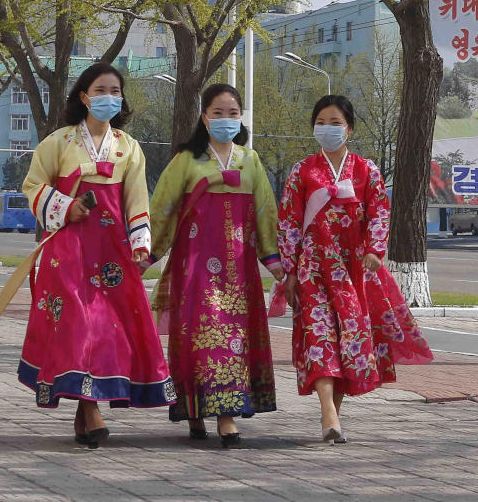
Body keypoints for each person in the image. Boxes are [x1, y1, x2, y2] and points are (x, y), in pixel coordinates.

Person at [17, 62, 175, 448]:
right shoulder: (58, 142)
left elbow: (136, 199)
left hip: (111, 251)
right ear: (84, 96)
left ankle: (85, 409)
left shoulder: (129, 147)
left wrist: (140, 245)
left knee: (106, 328)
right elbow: (33, 185)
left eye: (115, 91)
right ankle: (90, 411)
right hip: (69, 248)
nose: (108, 97)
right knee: (78, 324)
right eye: (101, 90)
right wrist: (64, 206)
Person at [277, 95, 433, 445]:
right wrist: (289, 269)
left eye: (335, 122)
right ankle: (327, 414)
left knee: (349, 340)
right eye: (321, 121)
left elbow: (379, 212)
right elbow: (288, 221)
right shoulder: (302, 171)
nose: (327, 128)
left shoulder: (367, 170)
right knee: (318, 338)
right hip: (312, 269)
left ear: (349, 129)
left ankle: (334, 414)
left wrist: (376, 251)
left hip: (352, 271)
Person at [147, 83, 283, 449]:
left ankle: (225, 416)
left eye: (233, 114)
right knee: (203, 341)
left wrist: (275, 261)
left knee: (235, 342)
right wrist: (145, 253)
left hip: (239, 273)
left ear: (241, 119)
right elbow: (162, 209)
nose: (226, 120)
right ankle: (195, 409)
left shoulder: (250, 161)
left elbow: (265, 213)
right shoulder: (186, 161)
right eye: (218, 113)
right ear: (204, 118)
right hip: (195, 271)